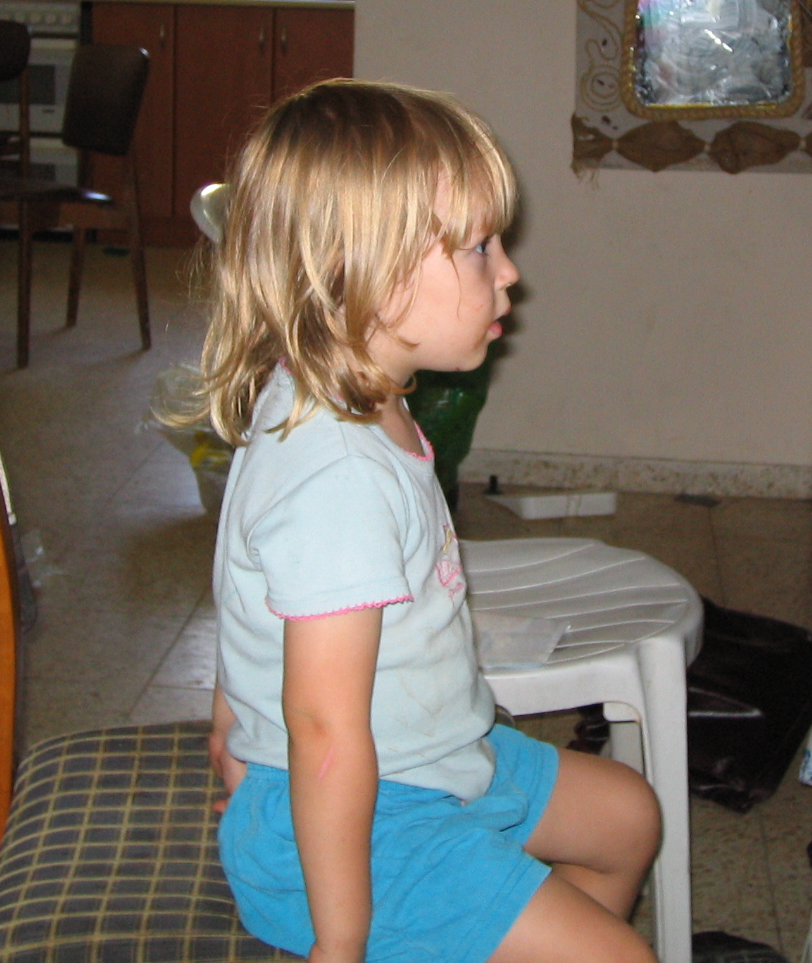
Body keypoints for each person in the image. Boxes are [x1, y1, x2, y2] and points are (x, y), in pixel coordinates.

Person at [188, 80, 662, 963]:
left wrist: (229, 724)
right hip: (362, 826)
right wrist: (341, 941)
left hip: (432, 758)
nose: (509, 272)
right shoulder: (336, 477)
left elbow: (255, 605)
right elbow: (324, 729)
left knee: (627, 817)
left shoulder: (362, 394)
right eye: (480, 249)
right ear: (363, 274)